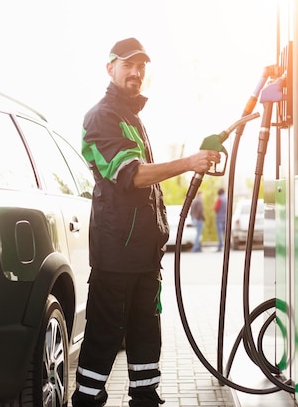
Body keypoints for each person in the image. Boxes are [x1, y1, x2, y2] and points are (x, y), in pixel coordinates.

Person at [71, 38, 220, 407]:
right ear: (110, 68)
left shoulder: (133, 118)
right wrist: (189, 162)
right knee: (105, 334)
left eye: (141, 67)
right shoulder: (102, 117)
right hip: (116, 253)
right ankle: (87, 400)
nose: (136, 72)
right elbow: (132, 176)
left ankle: (145, 398)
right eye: (128, 65)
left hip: (143, 255)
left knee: (145, 334)